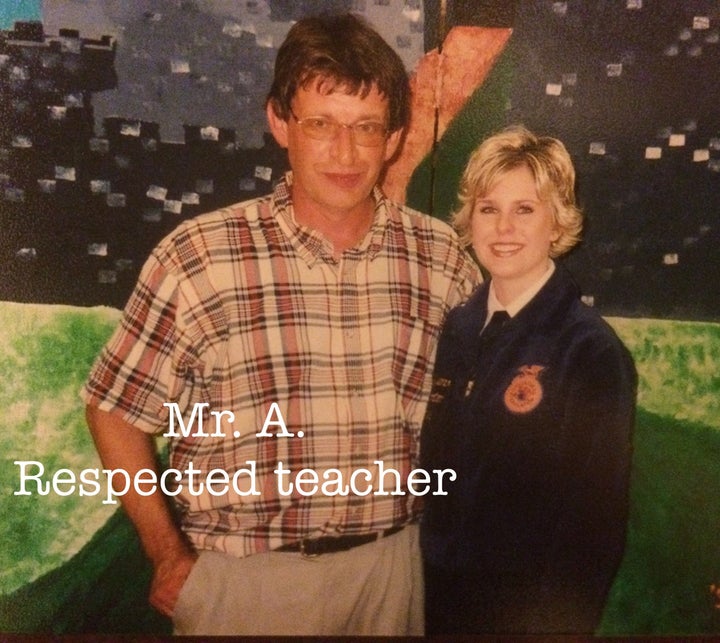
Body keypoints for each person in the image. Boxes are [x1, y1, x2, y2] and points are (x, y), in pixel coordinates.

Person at [81, 12, 479, 637]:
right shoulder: (198, 258)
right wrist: (168, 555)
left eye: (366, 128)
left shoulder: (442, 259)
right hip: (243, 585)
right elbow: (113, 410)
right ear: (279, 122)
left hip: (392, 575)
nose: (345, 153)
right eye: (321, 124)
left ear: (395, 136)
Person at [420, 125, 637, 634]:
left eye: (525, 209)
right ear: (469, 219)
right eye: (489, 208)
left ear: (556, 223)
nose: (503, 228)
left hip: (526, 620)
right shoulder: (458, 328)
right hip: (440, 605)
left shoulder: (590, 351)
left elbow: (594, 528)